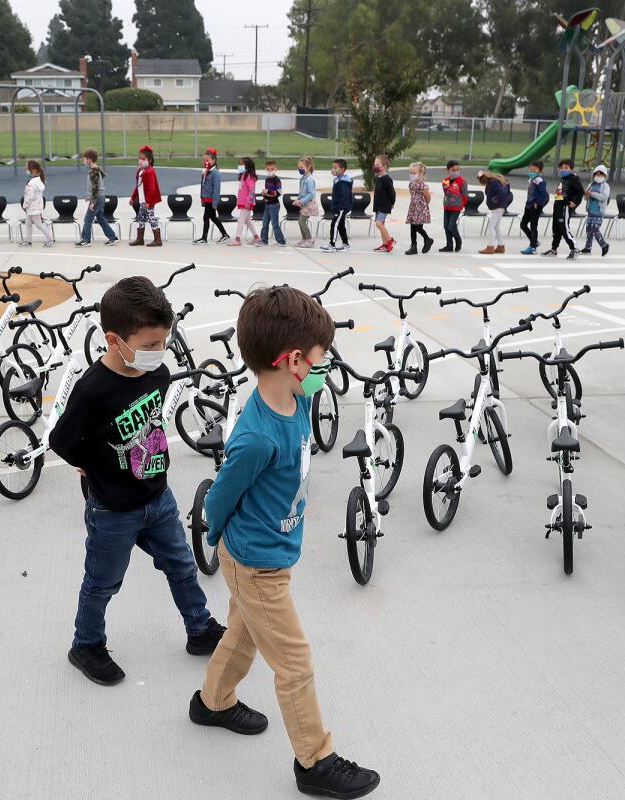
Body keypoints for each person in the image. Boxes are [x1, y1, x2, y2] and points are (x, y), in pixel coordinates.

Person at [189, 285, 380, 800]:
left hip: (269, 552)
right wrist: (223, 543)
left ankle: (212, 701)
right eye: (320, 359)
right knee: (293, 663)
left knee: (246, 633)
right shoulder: (255, 437)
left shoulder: (298, 393)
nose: (326, 368)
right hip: (255, 561)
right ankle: (314, 761)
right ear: (292, 360)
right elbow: (219, 499)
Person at [50, 275, 224, 685]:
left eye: (163, 342)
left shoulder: (157, 375)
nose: (158, 352)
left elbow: (146, 424)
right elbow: (61, 439)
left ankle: (199, 629)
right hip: (113, 508)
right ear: (114, 340)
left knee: (182, 566)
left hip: (157, 498)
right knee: (103, 581)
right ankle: (86, 644)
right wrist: (89, 465)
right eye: (148, 345)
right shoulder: (93, 389)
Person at [77, 149, 118, 247]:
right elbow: (97, 183)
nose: (84, 161)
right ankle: (112, 237)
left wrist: (92, 201)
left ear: (89, 160)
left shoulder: (93, 171)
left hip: (97, 198)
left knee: (87, 219)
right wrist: (89, 196)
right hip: (100, 197)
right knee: (100, 218)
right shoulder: (96, 169)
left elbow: (95, 187)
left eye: (85, 158)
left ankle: (85, 240)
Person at [544, 158, 582, 259]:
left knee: (564, 229)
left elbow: (580, 192)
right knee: (555, 229)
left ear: (571, 169)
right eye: (561, 168)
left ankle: (575, 248)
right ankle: (554, 249)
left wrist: (575, 202)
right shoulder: (563, 178)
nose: (563, 170)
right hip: (557, 206)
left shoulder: (573, 178)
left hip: (565, 207)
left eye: (566, 168)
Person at [129, 145, 163, 247]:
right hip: (142, 201)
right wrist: (133, 197)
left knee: (151, 218)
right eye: (140, 159)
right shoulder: (140, 171)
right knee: (141, 218)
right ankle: (140, 239)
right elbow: (138, 186)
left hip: (148, 201)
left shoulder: (150, 171)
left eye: (143, 159)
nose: (141, 161)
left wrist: (148, 201)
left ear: (149, 160)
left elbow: (152, 188)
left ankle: (158, 240)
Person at [194, 148, 229, 244]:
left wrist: (215, 202)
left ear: (213, 160)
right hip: (206, 199)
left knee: (206, 217)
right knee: (213, 217)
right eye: (204, 160)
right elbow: (204, 186)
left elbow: (216, 189)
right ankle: (225, 235)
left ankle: (204, 238)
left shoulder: (215, 173)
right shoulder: (206, 171)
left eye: (207, 160)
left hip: (211, 200)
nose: (205, 162)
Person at [20, 159, 54, 247]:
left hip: (33, 207)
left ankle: (50, 239)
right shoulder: (37, 181)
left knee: (39, 224)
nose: (26, 170)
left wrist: (25, 204)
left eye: (27, 168)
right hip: (34, 207)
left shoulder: (33, 183)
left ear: (34, 170)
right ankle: (28, 241)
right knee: (28, 222)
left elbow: (30, 196)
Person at [321, 159, 353, 252]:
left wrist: (340, 208)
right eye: (333, 167)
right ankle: (345, 244)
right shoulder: (338, 180)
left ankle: (332, 245)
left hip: (341, 208)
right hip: (338, 207)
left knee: (334, 224)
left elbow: (345, 196)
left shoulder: (343, 182)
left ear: (342, 169)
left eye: (335, 168)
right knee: (340, 225)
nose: (333, 170)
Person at [477, 170, 511, 254]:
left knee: (491, 226)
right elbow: (506, 193)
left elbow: (502, 193)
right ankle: (501, 246)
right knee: (496, 227)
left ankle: (490, 247)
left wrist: (494, 200)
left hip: (498, 207)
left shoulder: (493, 182)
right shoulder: (497, 181)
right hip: (500, 207)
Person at [229, 157, 260, 247]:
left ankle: (237, 239)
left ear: (247, 166)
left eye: (242, 164)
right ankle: (256, 237)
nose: (240, 166)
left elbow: (252, 191)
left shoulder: (249, 177)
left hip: (247, 203)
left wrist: (248, 202)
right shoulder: (243, 176)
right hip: (242, 202)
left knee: (240, 220)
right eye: (239, 164)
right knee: (248, 221)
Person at [581, 164, 611, 257]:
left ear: (605, 176)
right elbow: (586, 198)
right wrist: (586, 194)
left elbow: (603, 197)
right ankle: (588, 247)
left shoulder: (605, 186)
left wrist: (592, 194)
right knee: (589, 230)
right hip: (590, 210)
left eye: (601, 175)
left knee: (595, 229)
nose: (598, 176)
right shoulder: (591, 184)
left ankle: (604, 245)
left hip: (598, 211)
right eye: (596, 174)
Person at [404, 161, 433, 255]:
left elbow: (428, 197)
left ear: (420, 174)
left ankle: (427, 239)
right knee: (412, 227)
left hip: (421, 209)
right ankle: (413, 246)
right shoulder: (411, 184)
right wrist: (414, 205)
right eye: (410, 173)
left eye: (414, 173)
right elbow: (412, 195)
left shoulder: (423, 186)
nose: (411, 175)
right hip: (413, 209)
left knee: (418, 227)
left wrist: (423, 206)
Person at [520, 161, 547, 254]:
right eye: (530, 169)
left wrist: (537, 202)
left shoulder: (539, 180)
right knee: (523, 225)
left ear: (539, 170)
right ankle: (535, 242)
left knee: (533, 226)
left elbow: (544, 194)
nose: (532, 171)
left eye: (534, 170)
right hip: (528, 205)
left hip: (535, 206)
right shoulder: (530, 180)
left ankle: (533, 247)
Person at [440, 159, 467, 252]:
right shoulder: (446, 181)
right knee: (446, 226)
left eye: (457, 170)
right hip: (447, 206)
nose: (456, 172)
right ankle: (449, 245)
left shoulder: (461, 181)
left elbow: (465, 195)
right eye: (453, 170)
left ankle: (458, 241)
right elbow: (446, 193)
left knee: (451, 226)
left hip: (456, 207)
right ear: (448, 170)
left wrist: (462, 205)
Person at [292, 156, 319, 248]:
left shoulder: (309, 179)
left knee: (302, 221)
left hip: (309, 204)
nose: (300, 169)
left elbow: (311, 194)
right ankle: (304, 239)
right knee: (300, 221)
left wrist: (302, 201)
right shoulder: (303, 178)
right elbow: (302, 192)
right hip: (303, 203)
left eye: (302, 167)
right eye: (299, 168)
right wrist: (298, 200)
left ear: (309, 167)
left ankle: (309, 240)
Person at [371, 154, 396, 252]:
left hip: (384, 206)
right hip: (378, 206)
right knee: (381, 225)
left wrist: (392, 203)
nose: (375, 166)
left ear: (384, 166)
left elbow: (392, 193)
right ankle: (385, 244)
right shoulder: (379, 178)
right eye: (374, 164)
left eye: (377, 164)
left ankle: (390, 240)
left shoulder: (386, 179)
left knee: (379, 224)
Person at [260, 159, 286, 246]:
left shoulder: (277, 180)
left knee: (274, 224)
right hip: (267, 204)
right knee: (265, 223)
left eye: (272, 169)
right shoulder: (267, 179)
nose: (270, 171)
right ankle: (264, 240)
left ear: (276, 169)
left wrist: (267, 192)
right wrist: (264, 194)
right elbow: (269, 193)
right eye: (268, 169)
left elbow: (278, 193)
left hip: (274, 205)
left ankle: (281, 241)